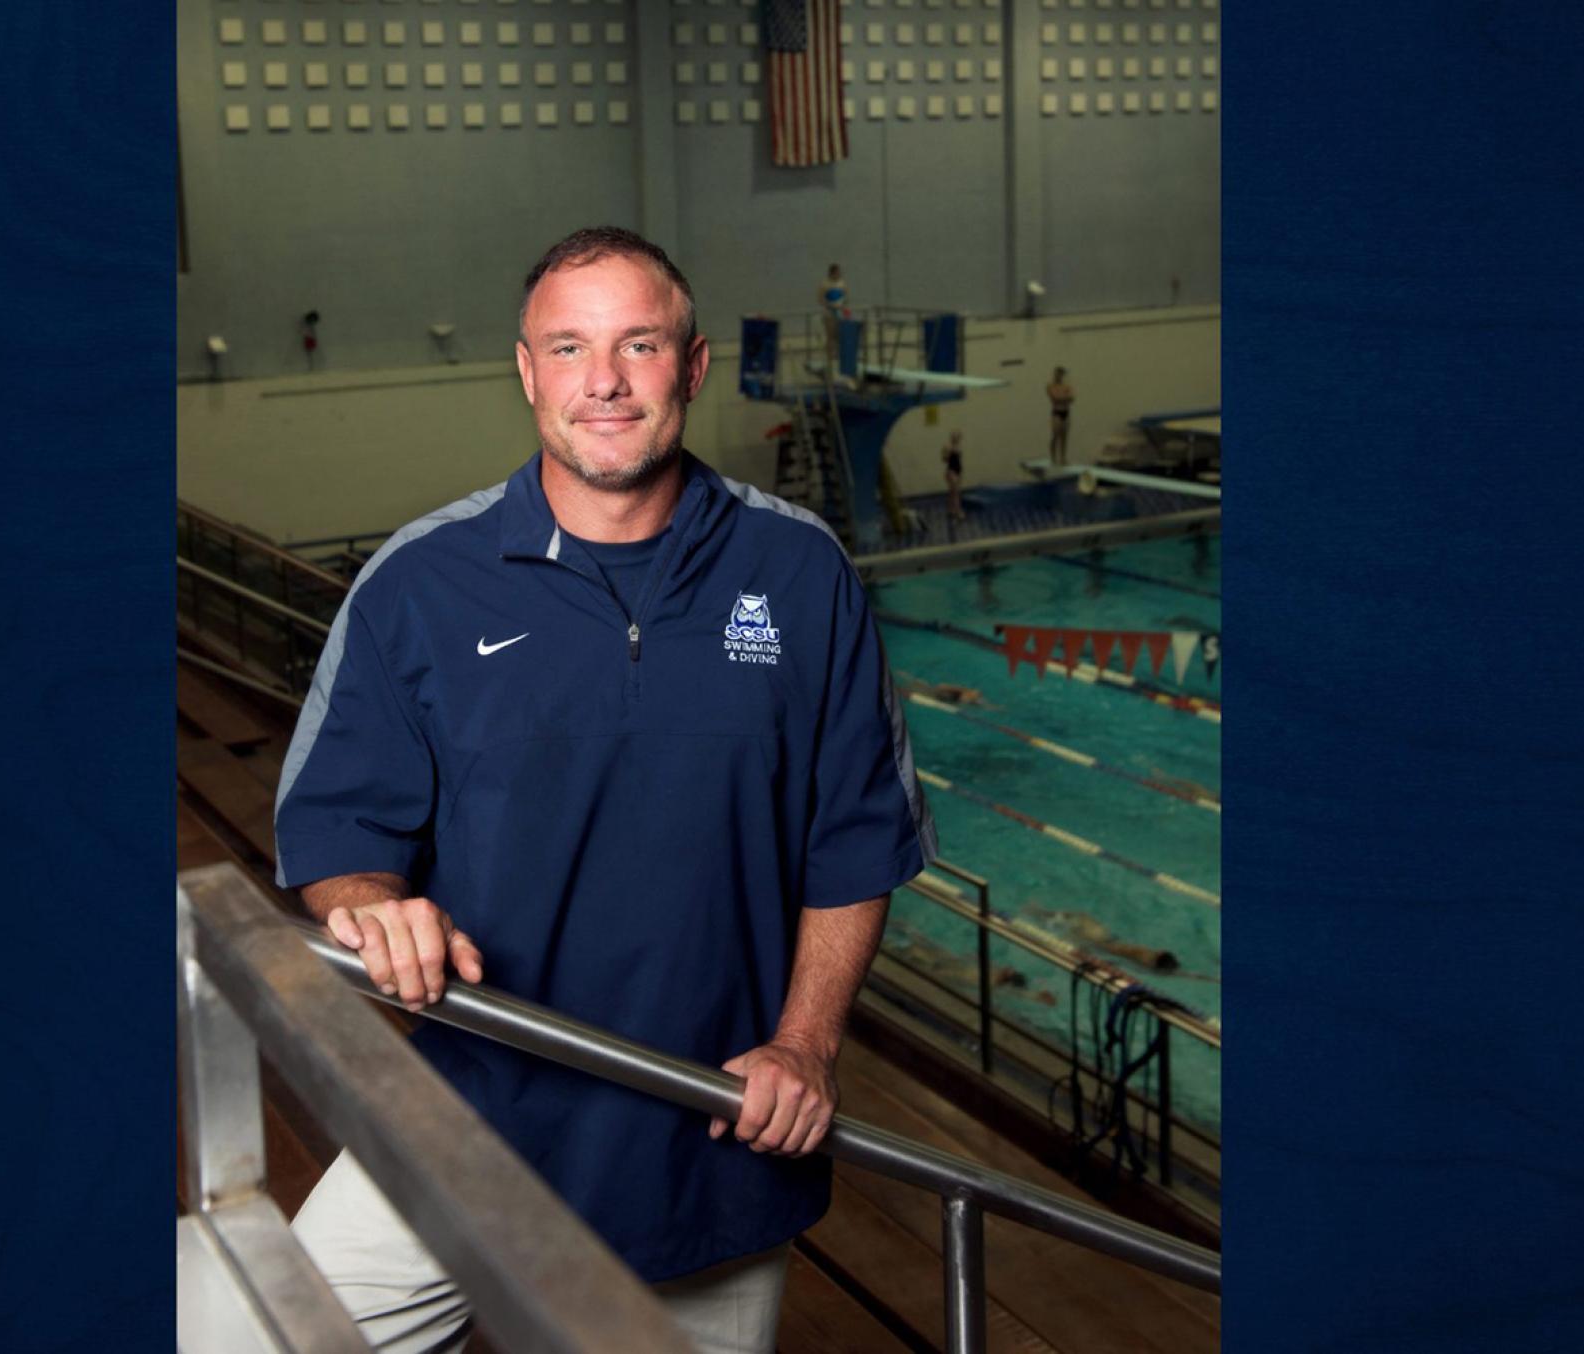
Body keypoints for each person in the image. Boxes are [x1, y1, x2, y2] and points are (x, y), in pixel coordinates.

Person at [274, 225, 934, 1354]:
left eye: (638, 343)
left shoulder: (798, 571)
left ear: (691, 364)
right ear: (527, 372)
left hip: (705, 1146)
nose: (605, 383)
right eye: (570, 348)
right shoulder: (420, 586)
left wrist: (806, 1046)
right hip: (459, 1113)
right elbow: (338, 830)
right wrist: (371, 908)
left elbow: (854, 841)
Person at [1046, 366, 1076, 465]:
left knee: (1064, 436)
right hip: (1056, 413)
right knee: (1055, 435)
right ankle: (1053, 458)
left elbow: (1072, 398)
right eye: (1057, 374)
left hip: (1066, 412)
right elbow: (1055, 398)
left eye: (1061, 374)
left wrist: (1062, 397)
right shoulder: (1050, 386)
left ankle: (1063, 458)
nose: (1059, 376)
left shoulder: (1066, 386)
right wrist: (1064, 397)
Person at [940, 429, 966, 526]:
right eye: (955, 436)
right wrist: (949, 452)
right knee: (956, 492)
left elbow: (959, 460)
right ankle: (958, 512)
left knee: (952, 491)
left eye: (958, 437)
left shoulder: (959, 447)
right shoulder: (947, 446)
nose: (957, 438)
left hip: (958, 471)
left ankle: (950, 510)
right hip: (951, 471)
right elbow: (944, 459)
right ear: (952, 437)